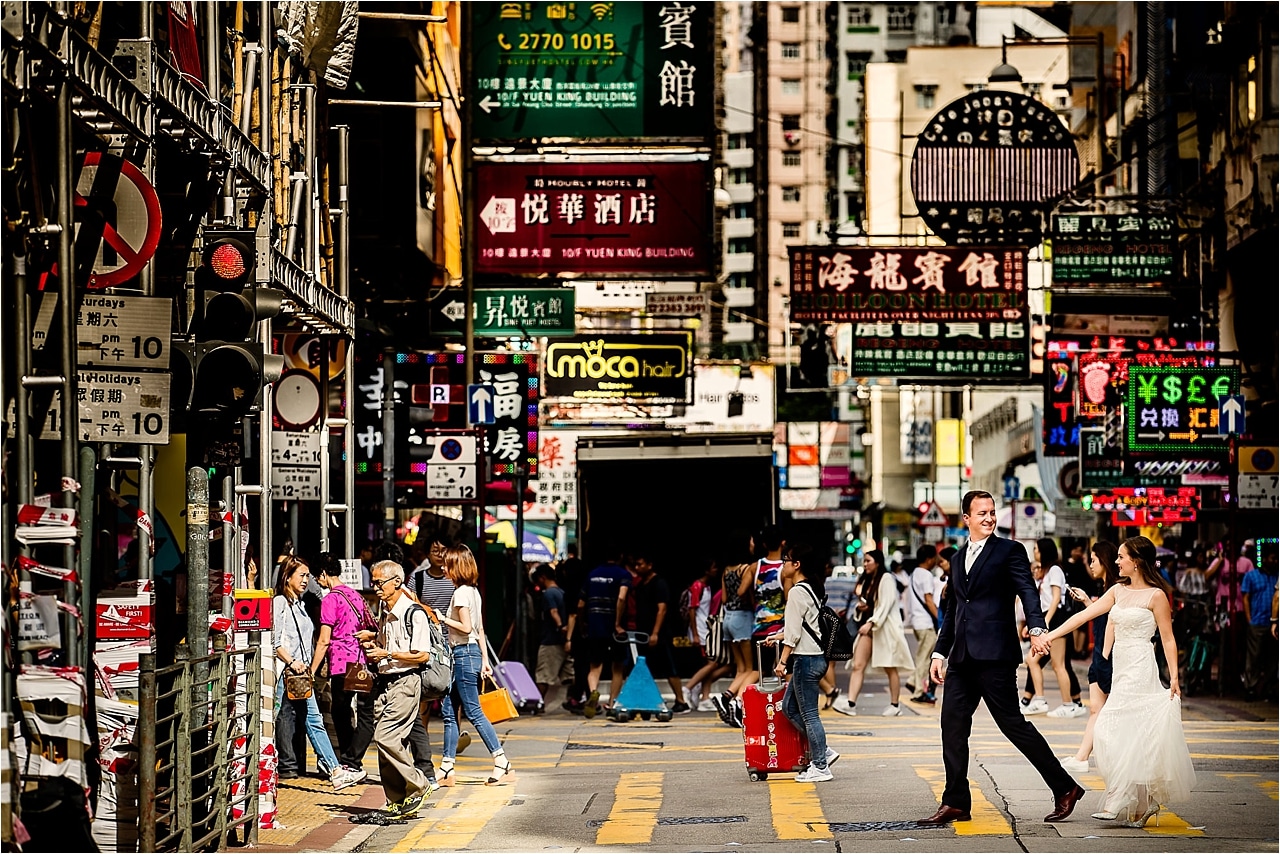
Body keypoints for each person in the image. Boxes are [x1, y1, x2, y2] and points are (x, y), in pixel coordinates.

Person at [920, 490, 1083, 827]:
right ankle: (956, 802)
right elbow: (952, 610)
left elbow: (1027, 590)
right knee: (951, 725)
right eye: (981, 513)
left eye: (992, 512)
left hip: (996, 655)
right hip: (962, 658)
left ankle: (1065, 787)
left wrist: (1037, 628)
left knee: (1013, 725)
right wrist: (939, 651)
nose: (989, 518)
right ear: (966, 518)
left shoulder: (1009, 550)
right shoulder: (958, 556)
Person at [1034, 536, 1196, 827]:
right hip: (1120, 668)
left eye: (1122, 557)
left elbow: (1168, 639)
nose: (1117, 561)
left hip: (1141, 666)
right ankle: (1140, 800)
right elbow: (1084, 615)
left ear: (1136, 561)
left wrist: (1174, 677)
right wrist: (1049, 635)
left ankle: (1117, 798)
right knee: (1115, 730)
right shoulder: (1117, 591)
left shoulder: (1156, 596)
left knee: (1124, 730)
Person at [272, 555, 366, 790]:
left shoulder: (301, 605)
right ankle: (322, 768)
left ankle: (334, 770)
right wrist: (293, 662)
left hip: (301, 674)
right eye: (301, 576)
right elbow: (275, 643)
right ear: (287, 576)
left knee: (312, 721)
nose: (306, 581)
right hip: (289, 673)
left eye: (307, 576)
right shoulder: (280, 603)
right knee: (287, 718)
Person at [435, 544, 515, 786]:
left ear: (455, 567)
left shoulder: (460, 594)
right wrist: (485, 661)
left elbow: (467, 628)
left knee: (472, 712)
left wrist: (442, 618)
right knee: (449, 711)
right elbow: (480, 631)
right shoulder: (474, 592)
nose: (443, 568)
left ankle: (502, 761)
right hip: (468, 655)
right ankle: (447, 768)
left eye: (446, 564)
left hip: (462, 655)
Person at [359, 560, 433, 816]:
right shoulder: (384, 609)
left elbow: (422, 655)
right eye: (374, 582)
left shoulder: (414, 613)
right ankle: (397, 799)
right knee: (384, 744)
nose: (375, 587)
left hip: (406, 683)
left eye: (379, 583)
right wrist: (373, 642)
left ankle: (420, 784)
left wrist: (387, 652)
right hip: (385, 683)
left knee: (385, 737)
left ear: (397, 582)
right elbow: (386, 641)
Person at [770, 543, 840, 782]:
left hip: (807, 660)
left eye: (786, 560)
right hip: (815, 657)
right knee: (790, 709)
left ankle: (820, 766)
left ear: (796, 565)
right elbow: (802, 626)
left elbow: (794, 634)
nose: (783, 565)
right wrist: (777, 636)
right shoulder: (811, 589)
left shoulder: (798, 592)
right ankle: (824, 751)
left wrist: (782, 662)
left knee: (810, 714)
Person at [313, 552, 378, 772]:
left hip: (340, 663)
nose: (318, 582)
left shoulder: (330, 599)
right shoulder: (355, 595)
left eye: (317, 577)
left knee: (340, 712)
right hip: (360, 662)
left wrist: (312, 671)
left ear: (323, 574)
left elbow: (323, 640)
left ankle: (350, 760)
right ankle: (353, 759)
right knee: (365, 713)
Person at [1060, 542, 1120, 774]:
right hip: (1100, 657)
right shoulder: (1106, 587)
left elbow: (1111, 624)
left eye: (1094, 560)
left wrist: (1104, 656)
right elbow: (1100, 616)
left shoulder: (1117, 589)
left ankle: (1096, 758)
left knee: (1107, 712)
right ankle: (1082, 757)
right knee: (1097, 709)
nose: (1091, 565)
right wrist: (1087, 602)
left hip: (1108, 657)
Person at [834, 549, 913, 716]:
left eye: (868, 561)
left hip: (883, 628)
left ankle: (895, 705)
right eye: (864, 561)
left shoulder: (886, 578)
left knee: (890, 666)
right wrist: (862, 608)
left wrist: (871, 622)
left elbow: (886, 604)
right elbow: (873, 604)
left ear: (877, 562)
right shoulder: (868, 580)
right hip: (870, 627)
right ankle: (851, 703)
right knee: (858, 664)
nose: (865, 564)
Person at [726, 526, 786, 727]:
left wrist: (757, 600)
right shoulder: (785, 569)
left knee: (756, 670)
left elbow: (741, 591)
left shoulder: (755, 567)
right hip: (779, 629)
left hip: (758, 627)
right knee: (782, 671)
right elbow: (789, 597)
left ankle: (737, 700)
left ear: (763, 544)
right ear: (783, 543)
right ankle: (781, 712)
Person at [1021, 539, 1084, 718]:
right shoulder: (1046, 571)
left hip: (1055, 618)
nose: (1034, 552)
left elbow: (1056, 598)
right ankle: (1039, 700)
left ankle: (1068, 704)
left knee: (1058, 664)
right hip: (1047, 617)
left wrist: (1046, 622)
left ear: (1044, 551)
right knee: (1032, 661)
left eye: (1036, 549)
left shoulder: (1055, 570)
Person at [566, 555, 632, 719]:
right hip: (616, 630)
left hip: (595, 627)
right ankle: (612, 703)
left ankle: (593, 693)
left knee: (595, 667)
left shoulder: (592, 575)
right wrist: (617, 623)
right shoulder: (623, 575)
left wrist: (583, 624)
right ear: (620, 557)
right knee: (617, 667)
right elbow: (622, 597)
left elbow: (580, 605)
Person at [631, 553, 690, 713]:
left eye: (640, 564)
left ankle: (681, 700)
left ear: (650, 565)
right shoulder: (641, 584)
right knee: (643, 667)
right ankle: (644, 700)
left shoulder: (659, 583)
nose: (638, 568)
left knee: (668, 666)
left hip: (659, 633)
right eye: (636, 565)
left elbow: (661, 609)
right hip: (643, 633)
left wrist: (655, 632)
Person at [712, 538, 760, 726]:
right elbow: (742, 591)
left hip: (728, 619)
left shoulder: (726, 570)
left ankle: (726, 699)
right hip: (743, 617)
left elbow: (724, 598)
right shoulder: (745, 568)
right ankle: (731, 699)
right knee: (750, 668)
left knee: (740, 668)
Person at [684, 559, 729, 712]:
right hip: (701, 631)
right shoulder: (697, 587)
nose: (716, 570)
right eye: (713, 567)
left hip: (707, 630)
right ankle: (689, 688)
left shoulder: (707, 587)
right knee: (712, 663)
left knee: (710, 664)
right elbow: (692, 610)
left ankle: (704, 695)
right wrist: (696, 634)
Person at [1241, 545, 1279, 701]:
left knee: (1273, 657)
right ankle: (1250, 688)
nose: (1275, 561)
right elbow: (1245, 598)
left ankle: (1268, 689)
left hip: (1274, 624)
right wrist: (1249, 620)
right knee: (1254, 657)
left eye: (1276, 558)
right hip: (1257, 621)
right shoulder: (1251, 576)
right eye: (1272, 558)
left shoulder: (1277, 575)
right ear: (1263, 559)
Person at [534, 564, 573, 706]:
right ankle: (574, 699)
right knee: (569, 675)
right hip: (563, 641)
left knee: (543, 675)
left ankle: (538, 703)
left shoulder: (549, 594)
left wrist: (560, 626)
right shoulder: (561, 592)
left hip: (550, 640)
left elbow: (553, 611)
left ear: (542, 578)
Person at [906, 546, 940, 705]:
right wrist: (940, 620)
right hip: (926, 622)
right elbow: (928, 599)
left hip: (916, 621)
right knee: (924, 658)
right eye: (934, 558)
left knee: (923, 655)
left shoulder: (914, 574)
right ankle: (918, 690)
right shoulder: (926, 575)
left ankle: (913, 681)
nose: (936, 561)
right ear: (929, 559)